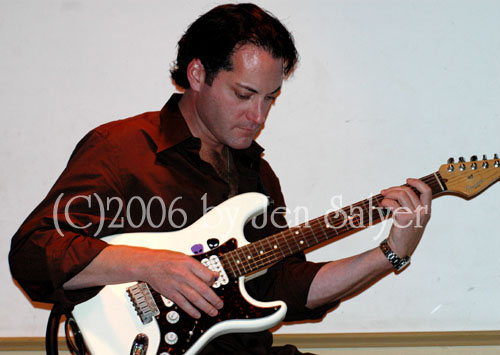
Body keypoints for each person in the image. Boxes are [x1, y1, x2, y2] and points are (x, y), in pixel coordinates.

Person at [9, 3, 431, 354]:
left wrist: (390, 253)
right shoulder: (123, 148)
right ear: (198, 75)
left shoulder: (256, 174)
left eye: (270, 99)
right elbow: (32, 251)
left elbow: (282, 287)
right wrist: (150, 265)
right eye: (244, 95)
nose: (259, 116)